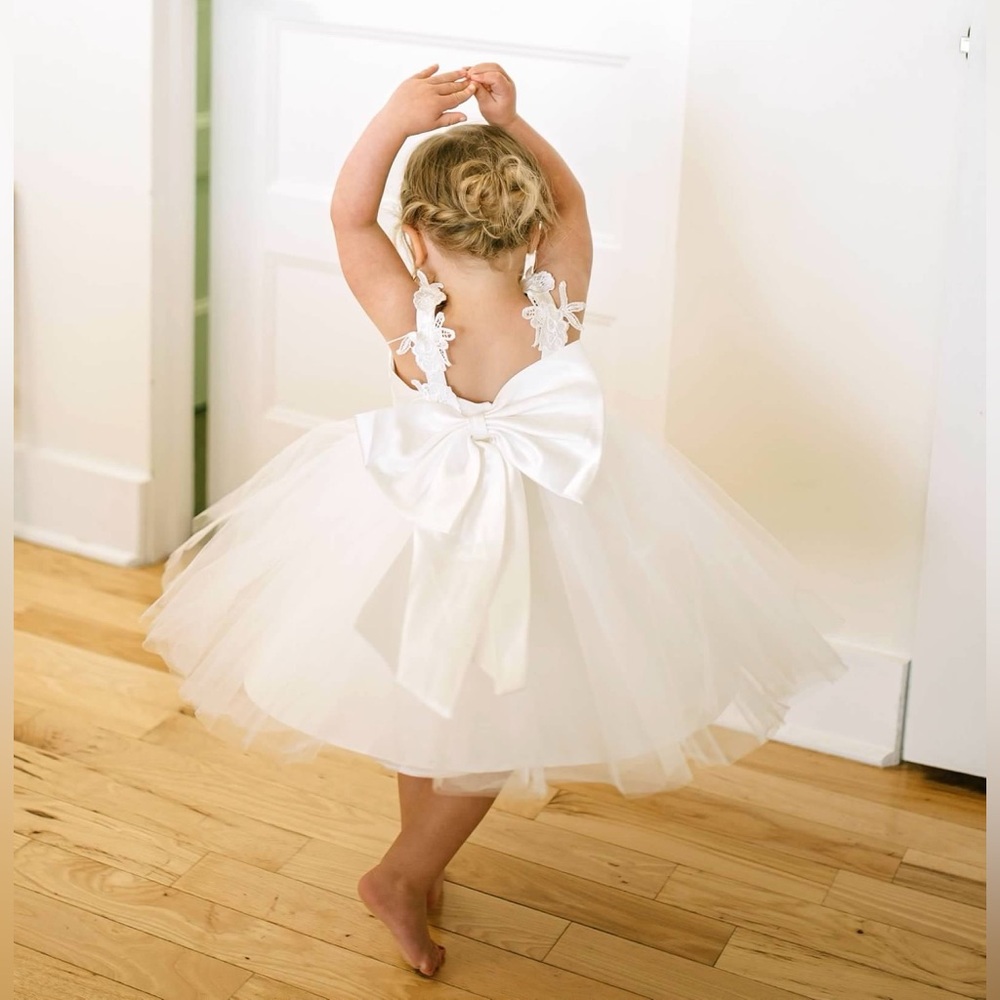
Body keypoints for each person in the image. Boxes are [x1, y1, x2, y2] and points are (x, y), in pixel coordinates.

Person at [141, 62, 848, 978]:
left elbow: (347, 218)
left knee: (433, 700)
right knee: (485, 718)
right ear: (535, 228)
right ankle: (403, 873)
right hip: (548, 537)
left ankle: (417, 863)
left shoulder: (411, 322)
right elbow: (575, 199)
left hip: (418, 528)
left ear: (415, 238)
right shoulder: (557, 307)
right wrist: (515, 122)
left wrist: (392, 119)